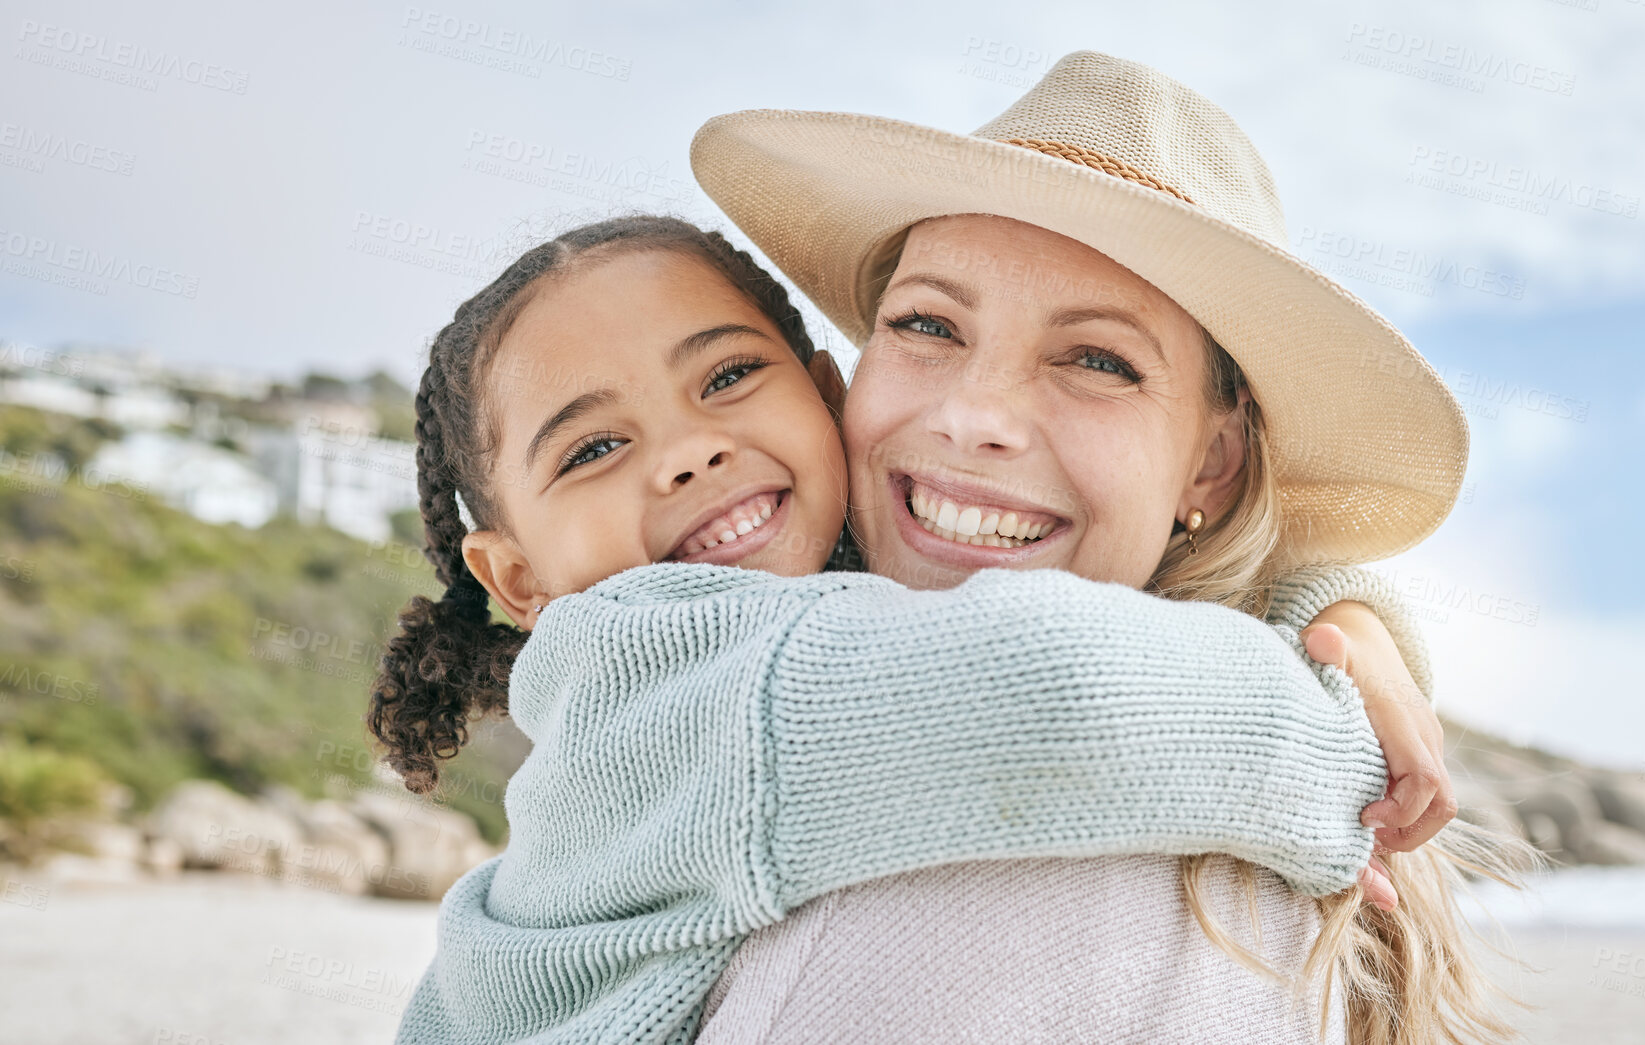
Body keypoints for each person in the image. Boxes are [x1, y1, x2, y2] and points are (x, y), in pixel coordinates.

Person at [368, 213, 1449, 1044]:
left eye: (731, 376)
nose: (686, 452)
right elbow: (1048, 695)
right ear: (515, 578)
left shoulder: (825, 625)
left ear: (825, 394)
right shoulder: (669, 659)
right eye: (591, 449)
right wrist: (1340, 758)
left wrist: (1342, 613)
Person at [686, 51, 1536, 1043]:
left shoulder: (1077, 887)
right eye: (927, 323)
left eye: (1096, 359)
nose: (972, 416)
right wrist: (1337, 629)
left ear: (1210, 465)